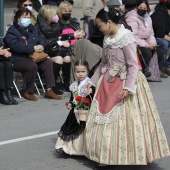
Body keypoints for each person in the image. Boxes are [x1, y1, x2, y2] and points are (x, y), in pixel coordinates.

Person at [84, 8, 169, 168]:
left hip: (125, 82)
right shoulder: (107, 38)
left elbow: (132, 65)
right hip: (107, 82)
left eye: (100, 25)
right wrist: (92, 81)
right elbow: (103, 63)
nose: (99, 29)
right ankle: (105, 156)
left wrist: (128, 88)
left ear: (109, 22)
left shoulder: (126, 38)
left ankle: (128, 155)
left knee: (125, 122)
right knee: (103, 120)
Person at [4, 7, 62, 100]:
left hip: (33, 56)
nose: (27, 19)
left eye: (28, 17)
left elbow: (40, 40)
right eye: (25, 17)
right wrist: (33, 48)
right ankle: (28, 91)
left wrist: (42, 46)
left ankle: (49, 89)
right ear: (18, 18)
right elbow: (14, 46)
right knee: (32, 66)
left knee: (48, 63)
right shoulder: (12, 30)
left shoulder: (33, 29)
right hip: (17, 58)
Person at [55, 59, 94, 156]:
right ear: (74, 71)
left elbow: (93, 97)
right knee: (69, 127)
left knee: (84, 129)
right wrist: (71, 104)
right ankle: (66, 148)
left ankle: (84, 150)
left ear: (87, 71)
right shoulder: (74, 85)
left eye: (83, 71)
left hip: (86, 110)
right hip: (75, 110)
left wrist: (89, 93)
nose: (80, 74)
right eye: (78, 72)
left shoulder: (90, 84)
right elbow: (73, 97)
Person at [125, 0, 165, 81]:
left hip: (146, 42)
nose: (142, 10)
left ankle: (150, 71)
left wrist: (152, 44)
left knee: (160, 52)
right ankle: (141, 72)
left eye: (144, 8)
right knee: (147, 53)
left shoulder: (148, 18)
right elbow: (133, 36)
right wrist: (146, 45)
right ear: (137, 7)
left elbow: (151, 34)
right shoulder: (132, 18)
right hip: (135, 43)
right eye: (140, 8)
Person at [37, 4, 71, 94]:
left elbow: (61, 36)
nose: (56, 16)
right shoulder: (38, 27)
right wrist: (59, 42)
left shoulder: (55, 25)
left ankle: (66, 83)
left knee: (67, 58)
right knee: (59, 59)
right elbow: (44, 42)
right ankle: (53, 83)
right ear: (48, 16)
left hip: (55, 50)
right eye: (54, 14)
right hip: (45, 52)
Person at [58, 1, 86, 91]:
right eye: (65, 11)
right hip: (65, 47)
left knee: (86, 45)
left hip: (78, 45)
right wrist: (72, 36)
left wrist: (82, 34)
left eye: (69, 11)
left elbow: (80, 31)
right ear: (60, 11)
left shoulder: (74, 21)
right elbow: (58, 37)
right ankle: (66, 82)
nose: (67, 13)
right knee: (68, 58)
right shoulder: (57, 24)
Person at [151, 0, 170, 76]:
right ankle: (158, 67)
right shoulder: (160, 15)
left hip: (160, 36)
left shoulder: (167, 15)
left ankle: (167, 65)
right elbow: (160, 34)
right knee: (164, 44)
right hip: (153, 37)